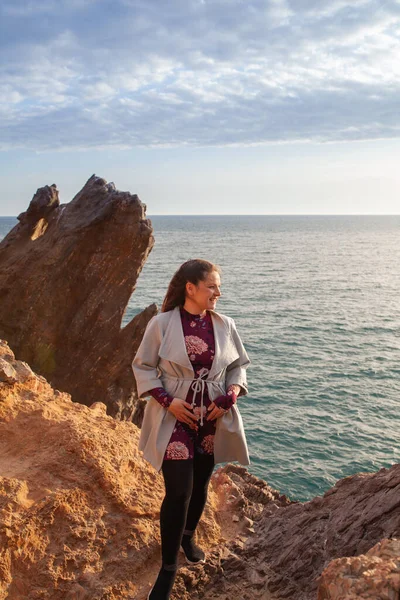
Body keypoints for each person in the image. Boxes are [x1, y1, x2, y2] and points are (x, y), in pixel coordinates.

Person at [132, 259, 250, 600]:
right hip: (175, 418)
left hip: (211, 418)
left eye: (218, 286)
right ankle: (168, 568)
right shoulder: (162, 324)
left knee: (200, 485)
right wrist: (168, 402)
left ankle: (187, 535)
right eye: (212, 286)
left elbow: (238, 368)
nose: (218, 292)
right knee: (179, 489)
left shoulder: (225, 324)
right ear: (191, 288)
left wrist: (231, 395)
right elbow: (142, 366)